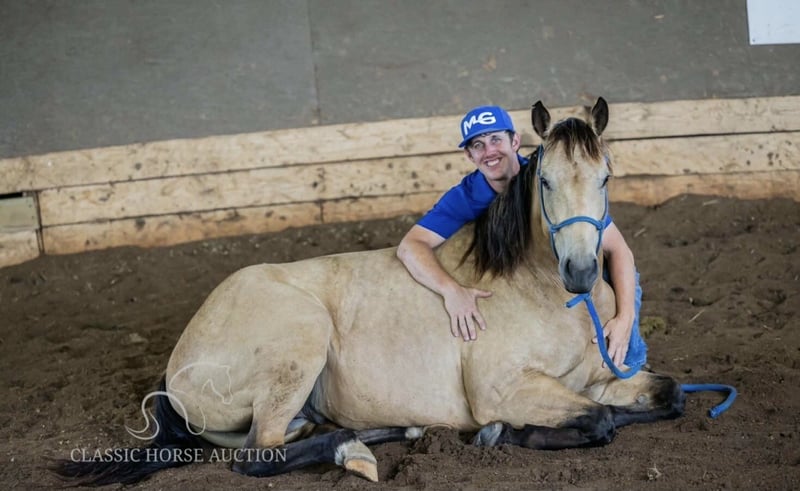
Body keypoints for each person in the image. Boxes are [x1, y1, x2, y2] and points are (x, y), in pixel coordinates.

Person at [396, 105, 646, 369]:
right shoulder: (466, 197)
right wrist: (451, 291)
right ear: (469, 155)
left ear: (515, 141)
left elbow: (618, 249)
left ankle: (631, 358)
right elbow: (410, 246)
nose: (489, 151)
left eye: (496, 140)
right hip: (518, 284)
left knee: (610, 274)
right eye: (478, 145)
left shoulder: (549, 179)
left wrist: (625, 317)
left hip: (552, 270)